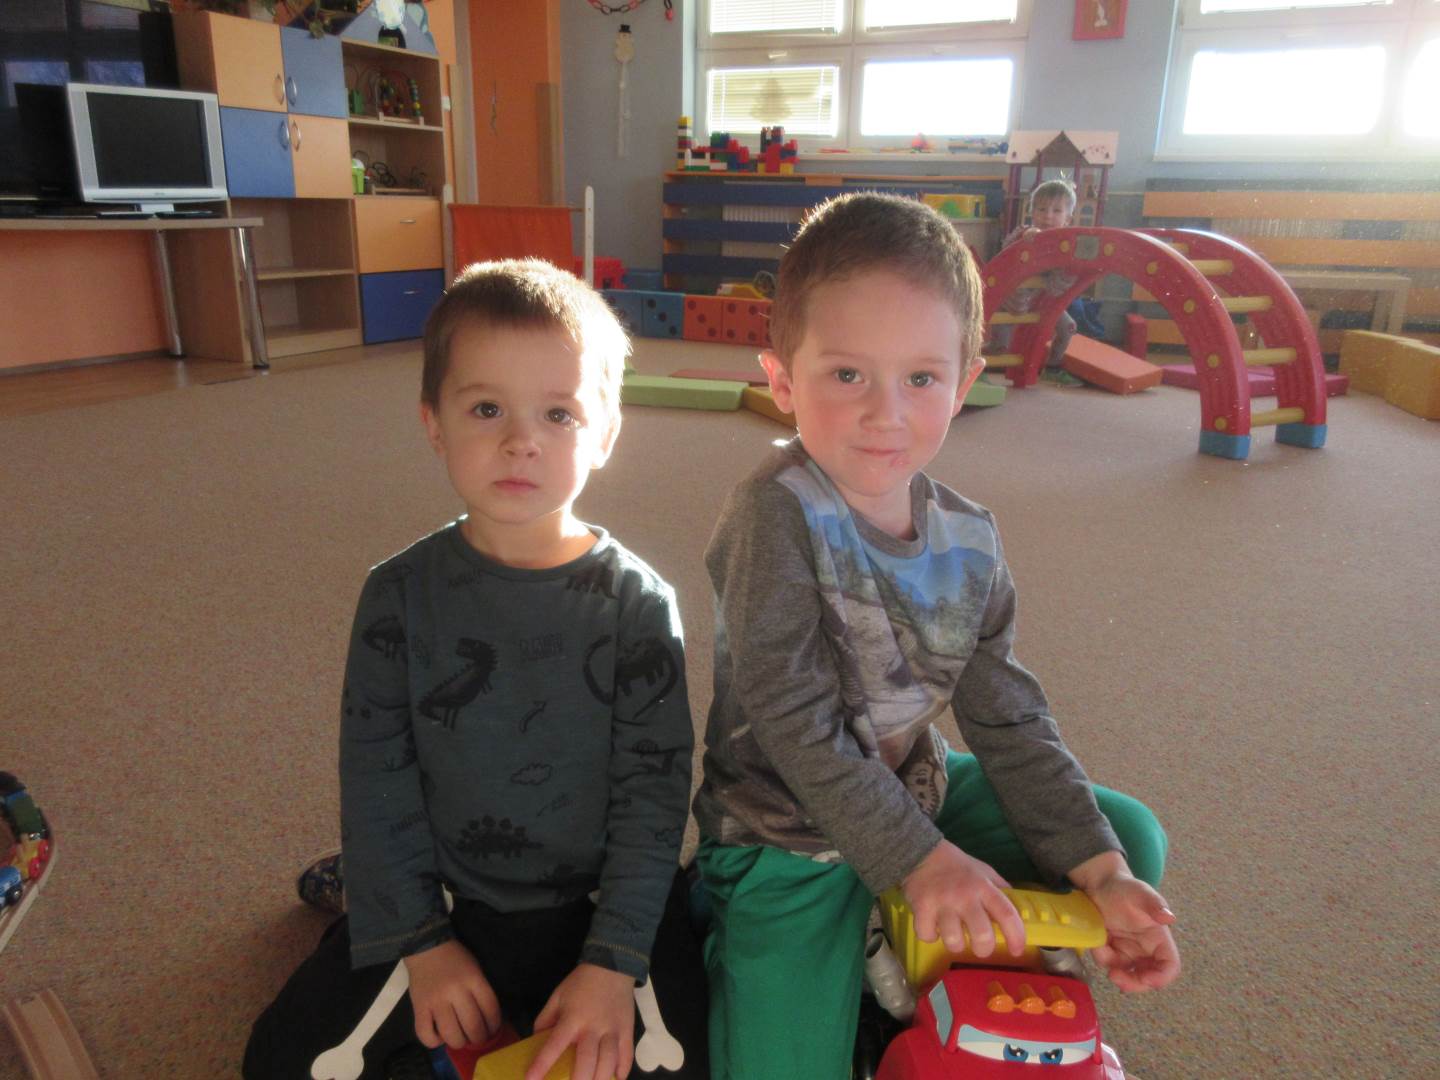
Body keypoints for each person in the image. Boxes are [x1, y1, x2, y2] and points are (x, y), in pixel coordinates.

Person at [691, 193, 1180, 1080]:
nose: (886, 413)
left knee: (1125, 839)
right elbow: (794, 726)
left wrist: (1100, 873)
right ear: (782, 380)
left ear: (964, 381)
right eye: (848, 375)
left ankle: (909, 927)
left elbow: (1009, 719)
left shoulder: (970, 537)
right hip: (784, 832)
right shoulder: (774, 513)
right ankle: (858, 947)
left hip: (914, 787)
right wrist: (919, 861)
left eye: (920, 379)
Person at [245, 259, 704, 1080]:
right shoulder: (396, 596)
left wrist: (611, 963)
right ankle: (366, 907)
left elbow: (654, 798)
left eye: (559, 413)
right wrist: (421, 940)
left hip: (599, 906)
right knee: (284, 1062)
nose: (520, 440)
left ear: (605, 434)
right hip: (451, 898)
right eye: (487, 409)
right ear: (434, 424)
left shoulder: (639, 605)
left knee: (690, 1063)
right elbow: (377, 778)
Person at [989, 178, 1085, 385]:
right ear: (1032, 213)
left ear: (1068, 219)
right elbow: (1007, 250)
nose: (1048, 215)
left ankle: (1053, 366)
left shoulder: (1067, 244)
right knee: (1001, 345)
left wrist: (1063, 275)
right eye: (1042, 209)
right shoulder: (1026, 233)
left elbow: (1063, 280)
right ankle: (988, 355)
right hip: (1014, 297)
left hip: (1043, 299)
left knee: (1069, 327)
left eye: (1056, 211)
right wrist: (1026, 237)